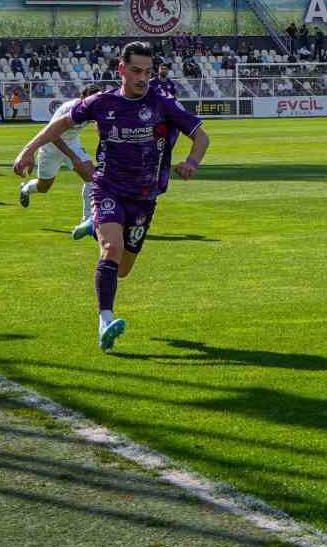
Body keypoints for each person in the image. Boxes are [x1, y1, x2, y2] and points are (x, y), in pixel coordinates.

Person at [12, 42, 211, 351]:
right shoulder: (101, 102)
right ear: (121, 68)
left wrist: (191, 162)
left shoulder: (163, 104)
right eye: (135, 71)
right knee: (111, 247)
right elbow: (60, 124)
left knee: (124, 269)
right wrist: (27, 151)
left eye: (146, 71)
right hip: (109, 187)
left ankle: (96, 226)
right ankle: (105, 320)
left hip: (144, 196)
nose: (142, 78)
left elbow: (201, 135)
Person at [19, 84, 101, 231]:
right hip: (51, 146)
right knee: (44, 187)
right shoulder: (68, 109)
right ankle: (26, 189)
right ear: (82, 98)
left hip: (73, 144)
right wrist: (73, 157)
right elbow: (53, 135)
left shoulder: (96, 108)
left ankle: (87, 221)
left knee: (92, 177)